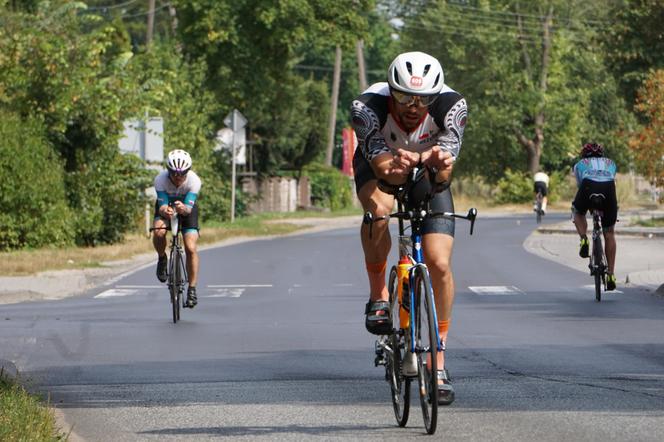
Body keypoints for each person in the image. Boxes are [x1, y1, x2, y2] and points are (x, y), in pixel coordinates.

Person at [350, 51, 467, 405]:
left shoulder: (452, 107)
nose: (414, 107)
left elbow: (444, 173)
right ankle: (378, 298)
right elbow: (385, 169)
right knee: (380, 211)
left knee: (439, 262)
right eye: (404, 97)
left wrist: (431, 163)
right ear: (390, 92)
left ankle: (439, 362)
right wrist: (411, 159)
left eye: (423, 99)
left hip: (428, 176)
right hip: (382, 167)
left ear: (436, 96)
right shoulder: (367, 107)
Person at [153, 149, 202, 308]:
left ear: (188, 172)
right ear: (168, 171)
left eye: (182, 174)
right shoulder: (160, 180)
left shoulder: (194, 181)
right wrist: (164, 210)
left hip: (186, 209)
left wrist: (183, 209)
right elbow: (161, 206)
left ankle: (192, 289)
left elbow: (188, 208)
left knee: (190, 247)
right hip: (166, 206)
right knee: (159, 231)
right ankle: (162, 258)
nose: (178, 177)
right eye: (174, 173)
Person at [572, 142, 618, 291]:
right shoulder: (611, 162)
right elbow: (611, 179)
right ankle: (610, 274)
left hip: (588, 186)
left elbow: (581, 187)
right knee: (609, 233)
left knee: (578, 211)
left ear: (584, 154)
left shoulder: (579, 164)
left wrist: (588, 206)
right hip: (609, 189)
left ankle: (584, 238)